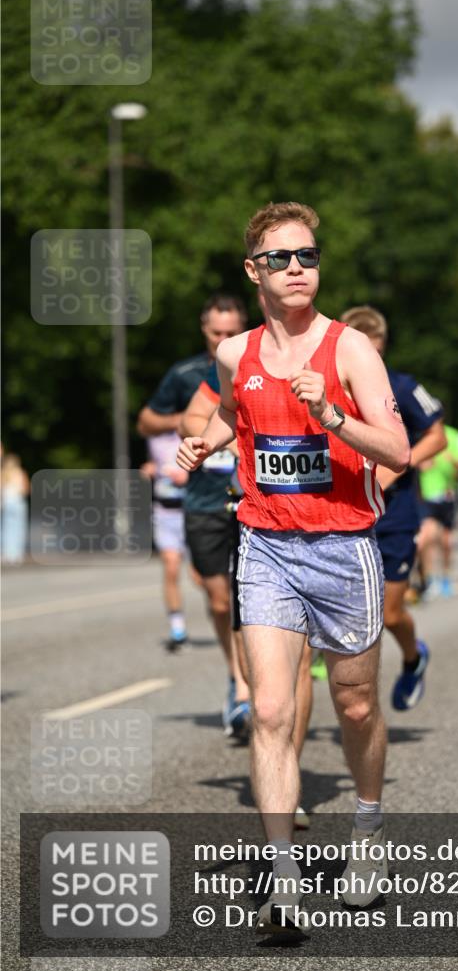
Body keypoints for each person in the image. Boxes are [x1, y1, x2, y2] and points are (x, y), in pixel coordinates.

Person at [177, 201, 410, 933]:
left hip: (344, 547)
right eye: (282, 258)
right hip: (266, 544)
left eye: (308, 255)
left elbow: (398, 452)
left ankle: (367, 834)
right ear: (254, 271)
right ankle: (282, 885)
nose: (298, 269)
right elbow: (234, 412)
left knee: (354, 705)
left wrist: (334, 417)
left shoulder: (348, 351)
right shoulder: (233, 352)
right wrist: (206, 444)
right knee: (272, 710)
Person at [181, 347, 314, 826]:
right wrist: (212, 440)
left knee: (309, 670)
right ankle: (281, 792)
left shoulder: (330, 356)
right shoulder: (239, 362)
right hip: (254, 526)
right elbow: (196, 417)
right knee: (270, 684)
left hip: (320, 531)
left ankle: (290, 772)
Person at [137, 293, 251, 734]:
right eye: (215, 332)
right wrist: (192, 422)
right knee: (219, 600)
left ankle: (248, 687)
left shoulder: (256, 363)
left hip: (249, 499)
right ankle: (236, 674)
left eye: (231, 332)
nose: (223, 339)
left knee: (251, 599)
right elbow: (147, 421)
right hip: (202, 499)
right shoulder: (185, 374)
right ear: (204, 330)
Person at [340, 306, 444, 709]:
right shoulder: (333, 387)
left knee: (391, 614)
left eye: (370, 343)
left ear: (381, 344)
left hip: (394, 515)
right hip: (346, 511)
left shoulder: (400, 385)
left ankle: (413, 657)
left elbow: (437, 436)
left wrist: (397, 466)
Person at [141, 432, 191, 649]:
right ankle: (177, 628)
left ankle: (223, 618)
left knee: (202, 578)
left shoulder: (192, 427)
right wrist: (149, 469)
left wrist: (189, 476)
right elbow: (157, 461)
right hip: (163, 512)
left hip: (192, 512)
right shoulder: (154, 437)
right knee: (171, 567)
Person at [417, 422, 458, 599]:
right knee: (425, 537)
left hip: (447, 495)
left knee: (445, 541)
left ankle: (445, 575)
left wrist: (450, 460)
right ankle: (430, 579)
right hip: (427, 496)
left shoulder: (451, 435)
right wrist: (421, 462)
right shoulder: (419, 433)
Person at [1, 450, 29, 565]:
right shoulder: (20, 473)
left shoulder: (3, 473)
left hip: (6, 502)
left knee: (5, 529)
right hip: (17, 502)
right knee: (18, 529)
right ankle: (17, 554)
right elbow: (25, 489)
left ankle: (7, 553)